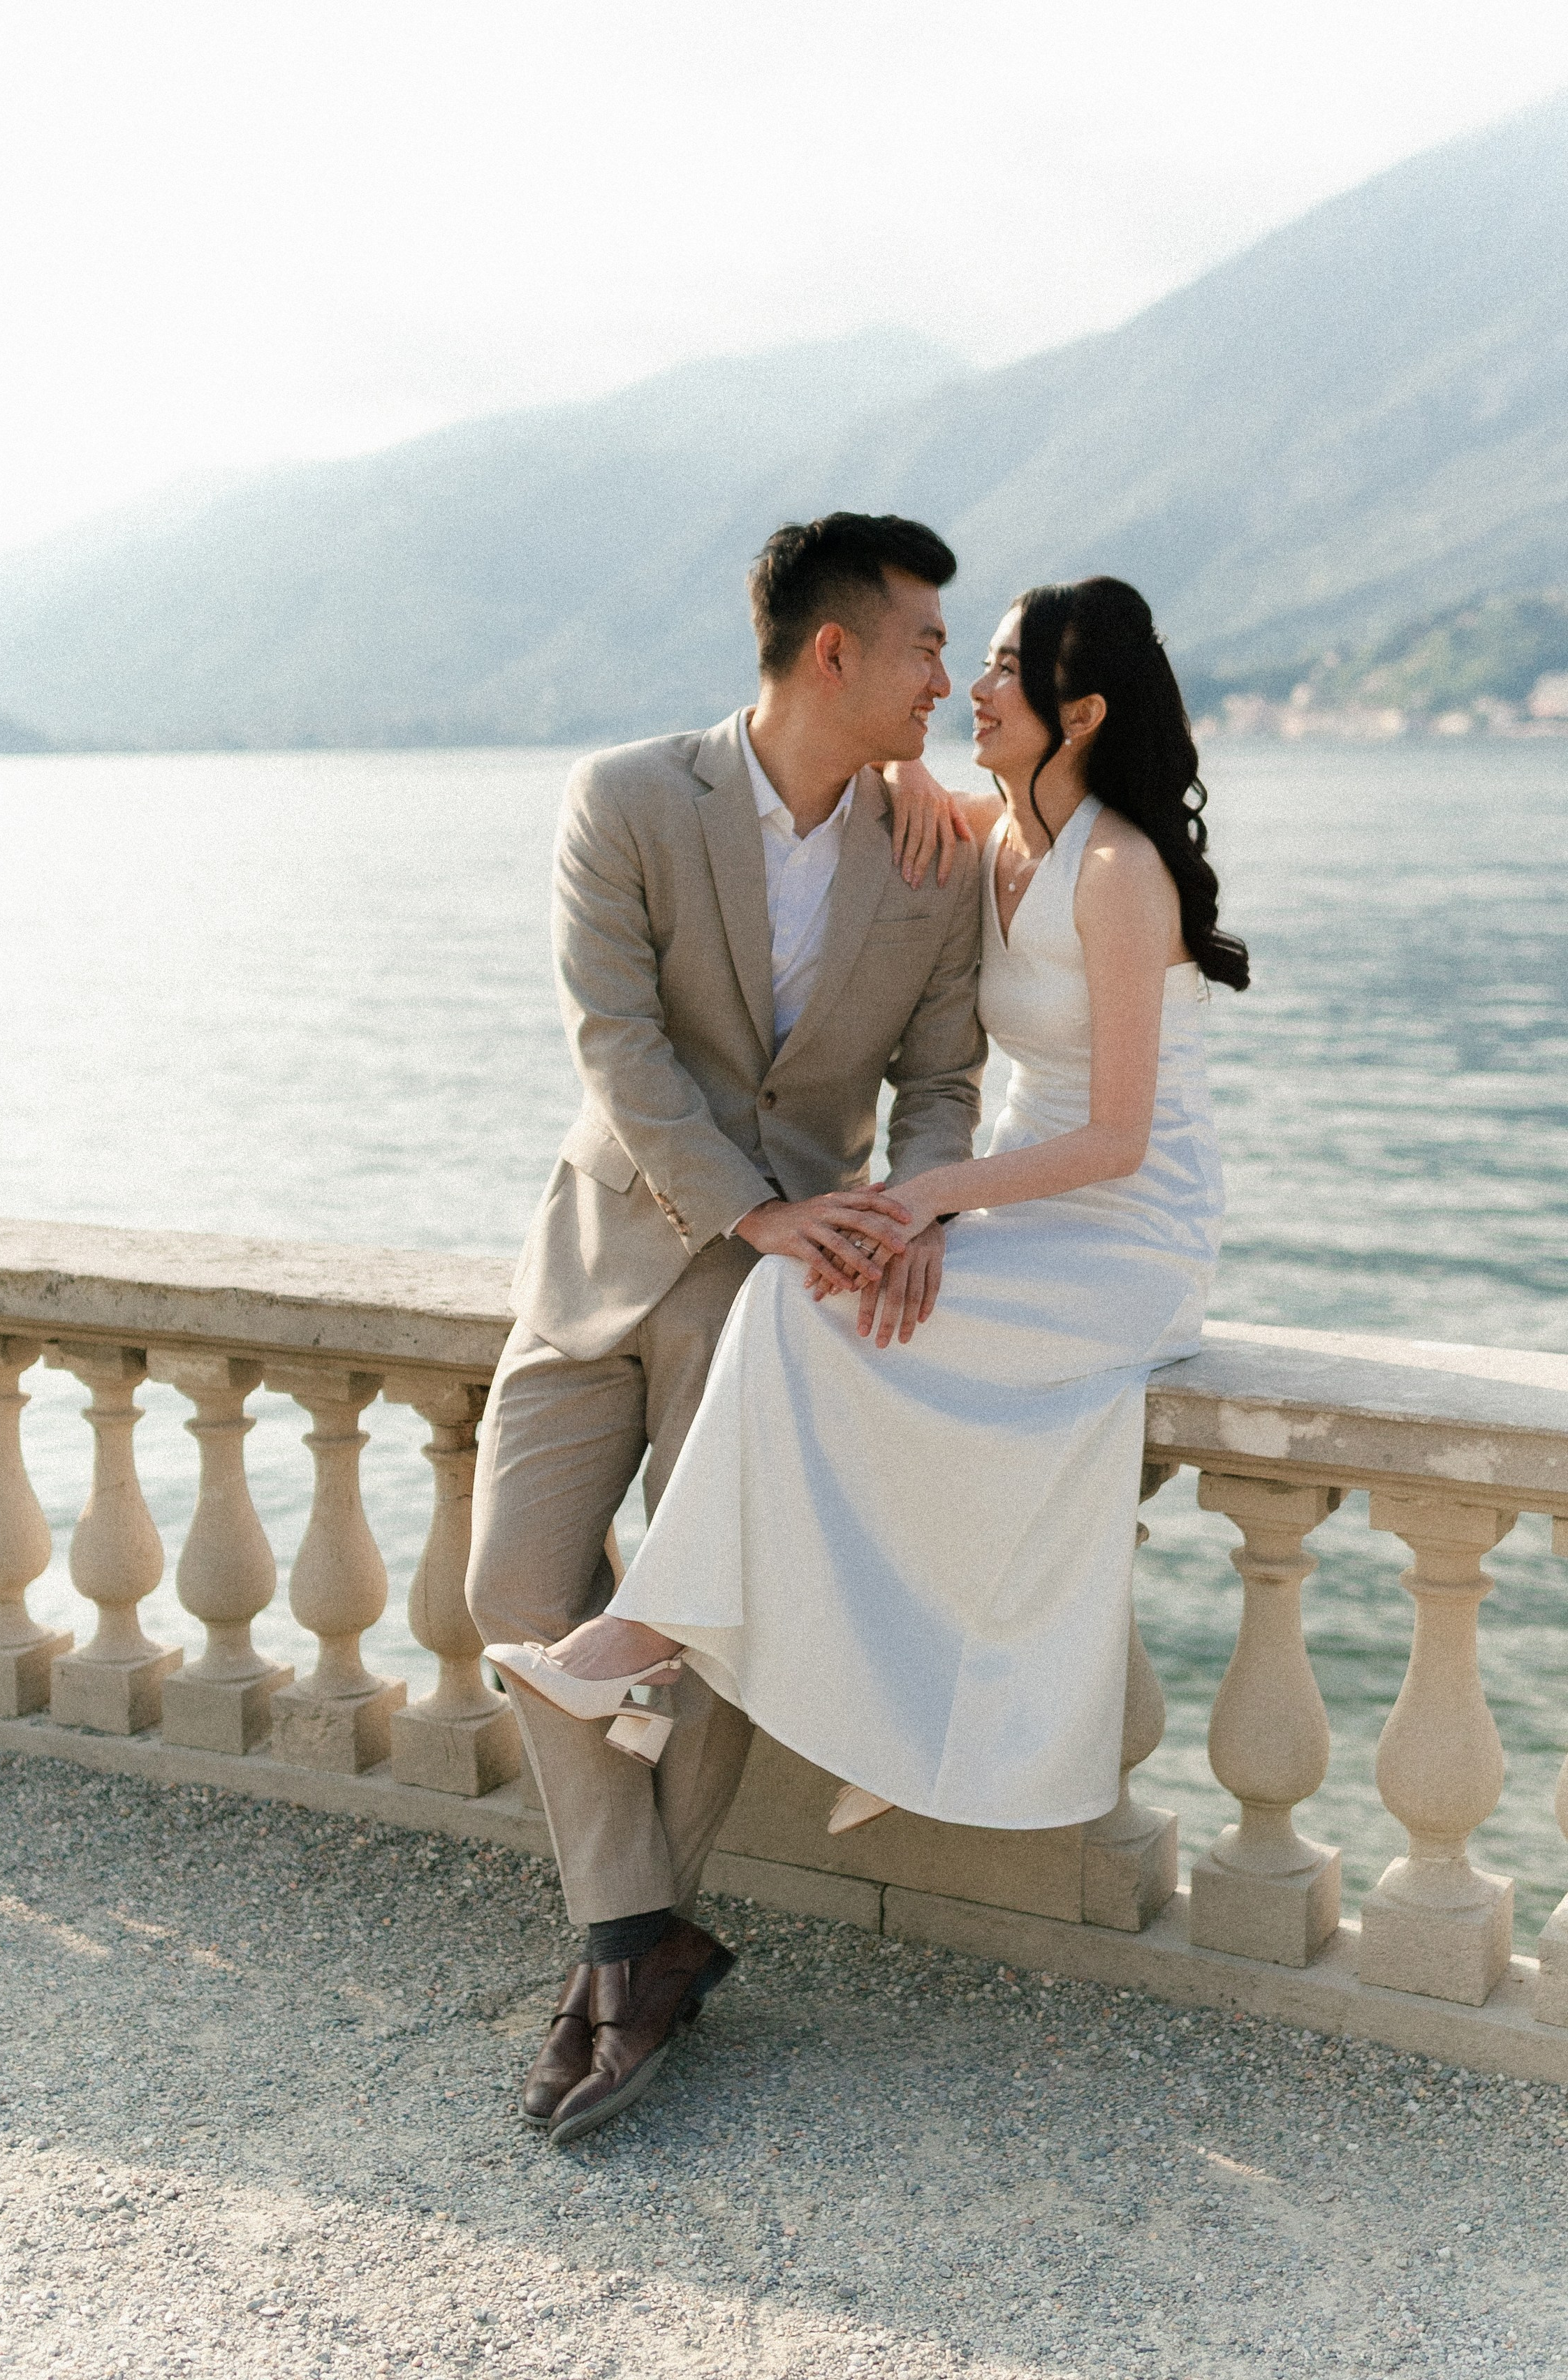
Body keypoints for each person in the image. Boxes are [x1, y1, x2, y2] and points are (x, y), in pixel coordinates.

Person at [507, 575, 1247, 1886]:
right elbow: (885, 802)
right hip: (1022, 1202)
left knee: (817, 1292)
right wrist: (907, 793)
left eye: (1008, 669)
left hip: (1129, 1236)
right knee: (819, 1296)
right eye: (972, 658)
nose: (973, 686)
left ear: (1080, 713)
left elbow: (1120, 1140)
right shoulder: (980, 831)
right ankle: (831, 1688)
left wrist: (922, 1200)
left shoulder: (1124, 870)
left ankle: (644, 1635)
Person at [464, 512, 986, 2147]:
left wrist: (914, 1210)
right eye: (921, 645)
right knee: (510, 1583)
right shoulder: (626, 797)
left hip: (784, 1301)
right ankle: (640, 1935)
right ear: (831, 650)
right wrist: (751, 1205)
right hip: (609, 1244)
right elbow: (613, 1042)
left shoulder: (934, 849)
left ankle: (617, 1970)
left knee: (706, 1621)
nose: (941, 679)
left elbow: (946, 1080)